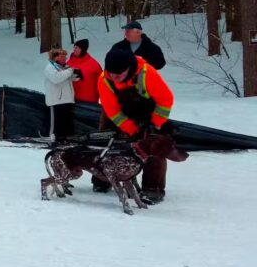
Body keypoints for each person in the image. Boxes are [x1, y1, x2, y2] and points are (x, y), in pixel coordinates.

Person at [96, 49, 175, 203]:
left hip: (148, 112)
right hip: (119, 112)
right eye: (111, 73)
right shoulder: (104, 79)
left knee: (154, 146)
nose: (115, 77)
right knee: (104, 141)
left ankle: (153, 188)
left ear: (129, 68)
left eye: (119, 74)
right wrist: (131, 130)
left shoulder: (147, 74)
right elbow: (113, 111)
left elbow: (165, 100)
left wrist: (156, 123)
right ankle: (102, 180)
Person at [44, 47, 78, 143]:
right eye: (62, 56)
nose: (65, 59)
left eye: (65, 56)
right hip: (56, 101)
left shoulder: (65, 68)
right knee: (57, 124)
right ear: (55, 57)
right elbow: (56, 78)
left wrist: (76, 75)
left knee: (68, 124)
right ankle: (55, 140)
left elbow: (67, 78)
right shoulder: (49, 67)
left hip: (67, 99)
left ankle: (67, 140)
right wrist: (69, 71)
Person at [66, 39, 103, 103]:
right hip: (71, 99)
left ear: (82, 49)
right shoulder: (69, 63)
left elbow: (102, 82)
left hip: (89, 101)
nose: (74, 49)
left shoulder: (94, 64)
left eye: (77, 48)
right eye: (74, 47)